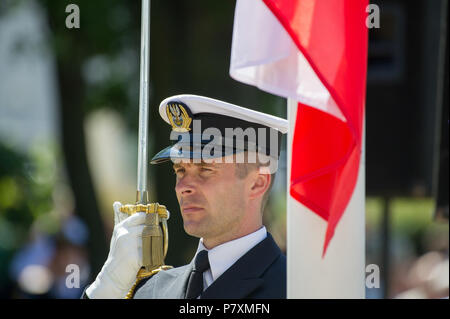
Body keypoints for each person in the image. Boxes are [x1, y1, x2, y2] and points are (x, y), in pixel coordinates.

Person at [83, 94, 288, 299]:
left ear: (257, 183)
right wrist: (105, 290)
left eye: (205, 169)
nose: (182, 187)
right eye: (180, 170)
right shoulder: (152, 291)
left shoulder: (297, 288)